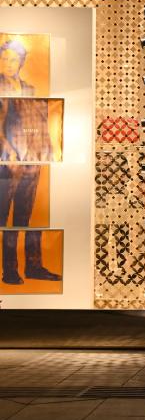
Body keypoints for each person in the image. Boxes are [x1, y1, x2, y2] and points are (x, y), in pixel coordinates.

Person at [0, 39, 60, 285]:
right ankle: (10, 270)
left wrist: (52, 149)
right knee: (5, 219)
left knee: (28, 217)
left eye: (13, 59)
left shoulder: (30, 89)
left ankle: (34, 266)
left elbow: (43, 123)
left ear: (21, 62)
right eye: (4, 58)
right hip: (7, 164)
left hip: (34, 161)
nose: (8, 63)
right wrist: (6, 151)